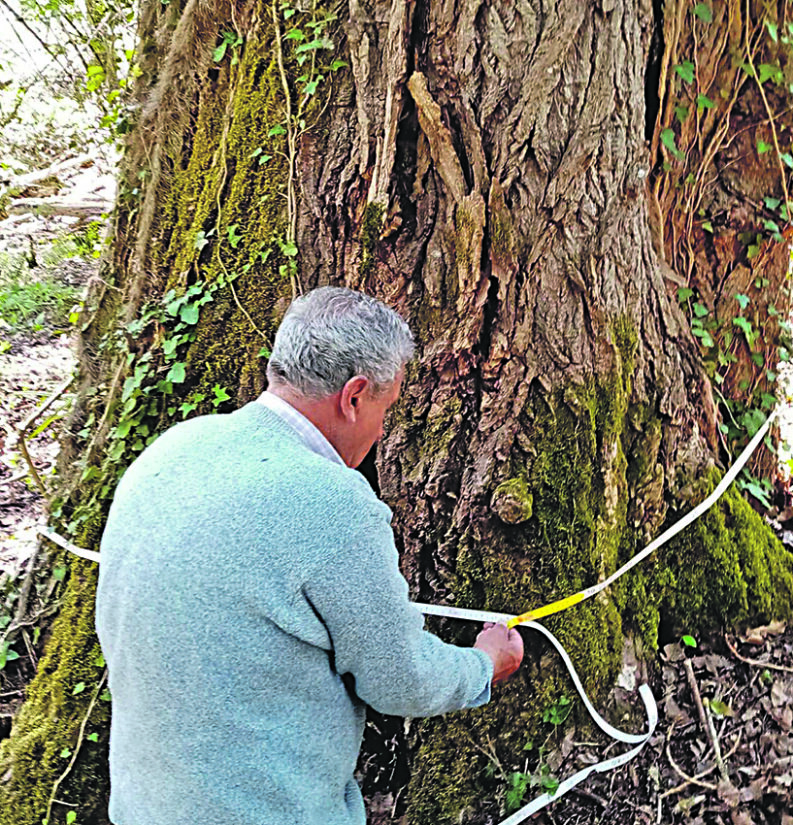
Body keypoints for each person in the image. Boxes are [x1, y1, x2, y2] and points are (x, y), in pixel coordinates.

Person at [95, 286, 524, 825]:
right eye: (385, 410)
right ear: (354, 396)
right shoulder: (334, 504)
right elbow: (401, 679)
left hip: (144, 807)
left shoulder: (172, 451)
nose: (382, 430)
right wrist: (484, 665)